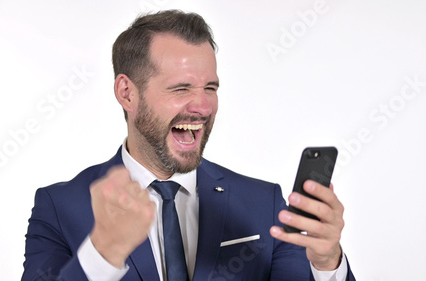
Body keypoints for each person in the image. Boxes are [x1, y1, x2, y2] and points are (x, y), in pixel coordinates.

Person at [22, 10, 355, 281]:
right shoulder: (60, 206)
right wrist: (104, 252)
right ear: (127, 93)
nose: (203, 107)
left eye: (210, 87)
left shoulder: (263, 204)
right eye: (181, 89)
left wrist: (327, 264)